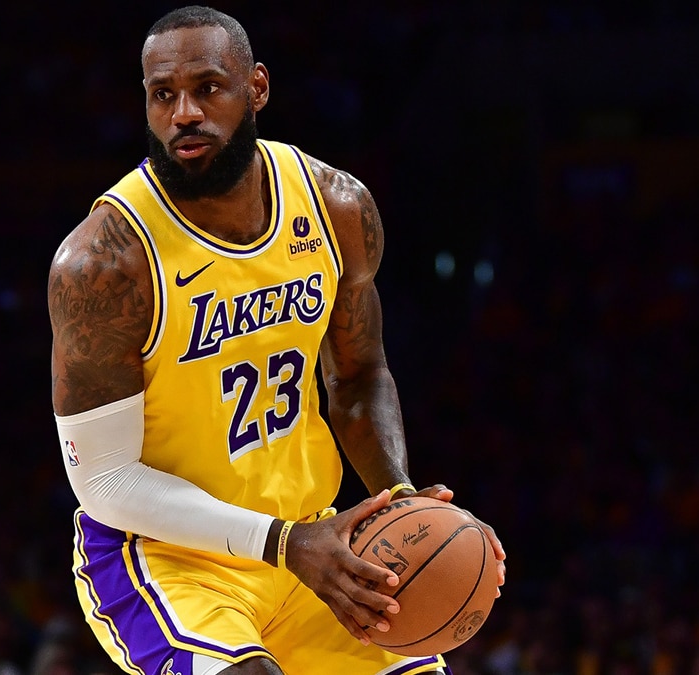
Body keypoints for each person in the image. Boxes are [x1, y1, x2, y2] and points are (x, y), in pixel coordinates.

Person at [47, 6, 506, 674]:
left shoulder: (336, 207)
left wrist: (400, 493)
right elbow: (105, 479)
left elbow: (357, 376)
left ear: (256, 88)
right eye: (163, 94)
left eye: (207, 87)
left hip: (309, 535)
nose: (183, 113)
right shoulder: (104, 262)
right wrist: (284, 542)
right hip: (163, 558)